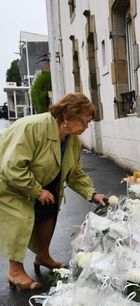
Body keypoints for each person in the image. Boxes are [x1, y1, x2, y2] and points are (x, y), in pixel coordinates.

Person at [0, 93, 106, 290]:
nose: (86, 126)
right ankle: (14, 271)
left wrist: (92, 193)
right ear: (68, 116)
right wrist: (36, 190)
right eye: (85, 121)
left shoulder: (71, 139)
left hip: (44, 180)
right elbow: (13, 165)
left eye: (89, 121)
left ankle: (43, 255)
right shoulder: (33, 127)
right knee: (19, 220)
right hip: (11, 181)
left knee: (48, 214)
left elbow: (74, 172)